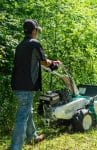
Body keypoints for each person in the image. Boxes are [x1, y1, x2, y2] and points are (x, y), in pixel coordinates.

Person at [10, 19, 61, 150]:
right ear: (33, 31)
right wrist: (54, 64)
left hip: (17, 85)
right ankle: (15, 147)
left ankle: (32, 136)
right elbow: (44, 62)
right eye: (37, 30)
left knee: (27, 111)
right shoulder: (34, 44)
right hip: (27, 86)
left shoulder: (20, 45)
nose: (37, 33)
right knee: (23, 114)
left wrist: (50, 63)